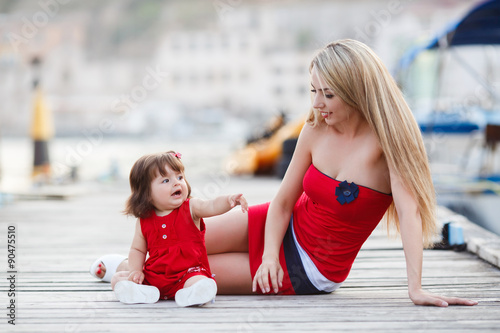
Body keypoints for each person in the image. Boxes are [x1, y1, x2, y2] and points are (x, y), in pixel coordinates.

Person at [92, 39, 477, 307]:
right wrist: (269, 254)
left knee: (188, 273)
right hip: (281, 225)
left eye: (328, 94)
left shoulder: (387, 144)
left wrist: (416, 288)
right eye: (313, 91)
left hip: (311, 265)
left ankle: (126, 273)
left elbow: (410, 214)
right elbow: (283, 202)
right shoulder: (314, 128)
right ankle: (128, 262)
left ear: (357, 91)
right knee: (186, 232)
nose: (317, 103)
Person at [108, 151, 248, 306]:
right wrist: (136, 271)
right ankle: (143, 293)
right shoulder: (144, 221)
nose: (177, 183)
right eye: (166, 180)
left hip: (188, 274)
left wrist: (229, 200)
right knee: (117, 278)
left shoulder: (191, 208)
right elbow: (137, 250)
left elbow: (212, 205)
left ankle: (192, 295)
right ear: (146, 193)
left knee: (200, 281)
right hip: (155, 276)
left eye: (180, 177)